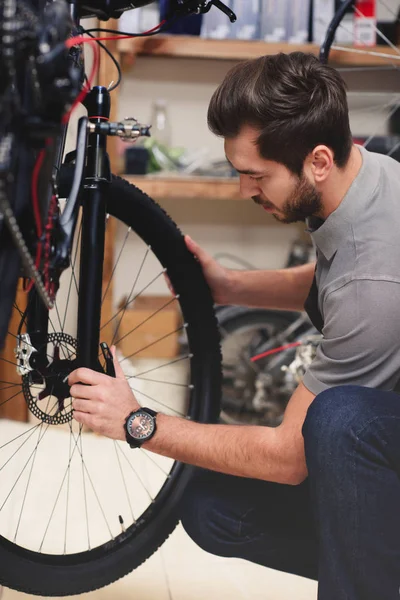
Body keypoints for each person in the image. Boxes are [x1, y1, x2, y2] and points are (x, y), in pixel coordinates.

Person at [68, 52, 400, 600]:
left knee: (340, 424)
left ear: (317, 160)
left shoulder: (376, 288)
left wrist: (137, 422)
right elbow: (332, 280)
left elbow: (288, 458)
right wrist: (231, 287)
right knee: (212, 504)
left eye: (256, 176)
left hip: (373, 430)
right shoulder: (365, 174)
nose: (246, 190)